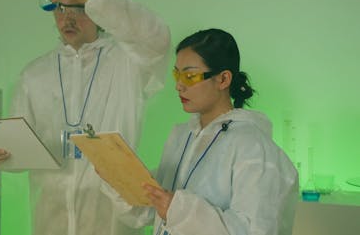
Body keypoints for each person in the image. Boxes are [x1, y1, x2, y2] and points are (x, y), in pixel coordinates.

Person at [0, 0, 171, 235]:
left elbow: (156, 39)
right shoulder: (34, 75)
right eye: (59, 8)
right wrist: (1, 154)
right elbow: (23, 151)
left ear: (98, 11)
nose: (66, 18)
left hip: (111, 219)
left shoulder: (127, 63)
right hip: (50, 217)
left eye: (78, 8)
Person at [103, 28, 299, 235]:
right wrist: (119, 177)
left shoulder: (254, 148)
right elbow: (150, 212)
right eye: (177, 74)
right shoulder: (181, 136)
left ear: (223, 79)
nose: (179, 86)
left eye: (190, 76)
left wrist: (179, 210)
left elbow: (255, 231)